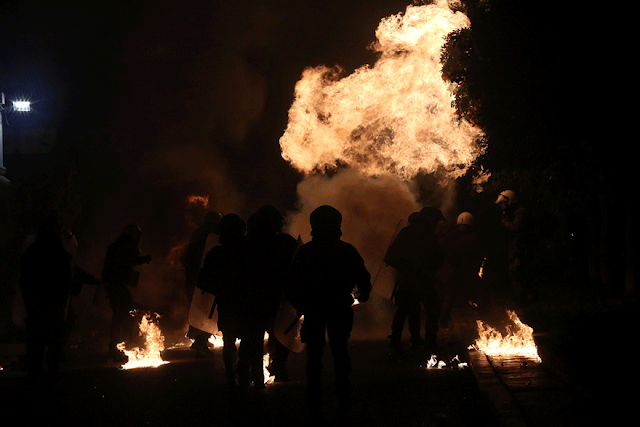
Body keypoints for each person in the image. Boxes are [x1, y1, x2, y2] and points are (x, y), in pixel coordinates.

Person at [288, 205, 371, 408]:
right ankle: (342, 387)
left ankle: (314, 388)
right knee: (339, 348)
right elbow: (362, 277)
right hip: (338, 306)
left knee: (315, 351)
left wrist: (299, 304)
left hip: (315, 307)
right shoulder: (346, 250)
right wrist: (363, 293)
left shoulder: (306, 251)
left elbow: (293, 282)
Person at [198, 214, 256, 388]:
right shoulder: (249, 251)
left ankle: (231, 373)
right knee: (247, 338)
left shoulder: (216, 254)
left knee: (229, 341)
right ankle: (242, 370)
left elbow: (204, 282)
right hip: (245, 303)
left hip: (227, 304)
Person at [244, 205, 298, 382]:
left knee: (255, 336)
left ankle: (255, 372)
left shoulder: (248, 243)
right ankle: (277, 367)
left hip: (259, 296)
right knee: (279, 334)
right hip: (274, 296)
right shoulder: (286, 242)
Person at [19, 214, 73, 380]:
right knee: (52, 343)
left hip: (37, 304)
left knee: (37, 343)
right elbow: (65, 281)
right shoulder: (60, 254)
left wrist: (29, 301)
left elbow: (24, 279)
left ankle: (36, 378)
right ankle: (49, 381)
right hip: (51, 304)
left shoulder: (32, 252)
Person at [385, 207, 443, 356]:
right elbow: (436, 259)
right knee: (431, 308)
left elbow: (391, 256)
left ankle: (399, 341)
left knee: (406, 309)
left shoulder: (406, 233)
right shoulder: (428, 236)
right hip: (420, 278)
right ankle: (428, 342)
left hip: (408, 278)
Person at [101, 223, 152, 360]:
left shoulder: (118, 245)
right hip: (116, 285)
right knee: (122, 315)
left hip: (115, 284)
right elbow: (128, 261)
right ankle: (116, 347)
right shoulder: (124, 245)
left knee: (123, 314)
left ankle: (117, 346)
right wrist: (144, 259)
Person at [438, 212, 486, 340]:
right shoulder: (472, 239)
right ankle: (482, 319)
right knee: (478, 295)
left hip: (450, 273)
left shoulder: (449, 237)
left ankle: (443, 322)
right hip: (465, 274)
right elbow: (478, 257)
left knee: (449, 298)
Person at [182, 211, 223, 354]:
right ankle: (200, 340)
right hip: (204, 283)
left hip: (194, 282)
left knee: (201, 310)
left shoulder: (196, 240)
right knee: (207, 311)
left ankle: (199, 338)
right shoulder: (213, 240)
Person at [496, 190, 532, 304]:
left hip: (521, 248)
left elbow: (515, 227)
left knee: (518, 273)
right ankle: (522, 299)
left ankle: (527, 299)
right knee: (514, 273)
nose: (502, 207)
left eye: (503, 204)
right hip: (515, 248)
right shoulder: (512, 213)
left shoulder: (521, 211)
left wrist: (503, 223)